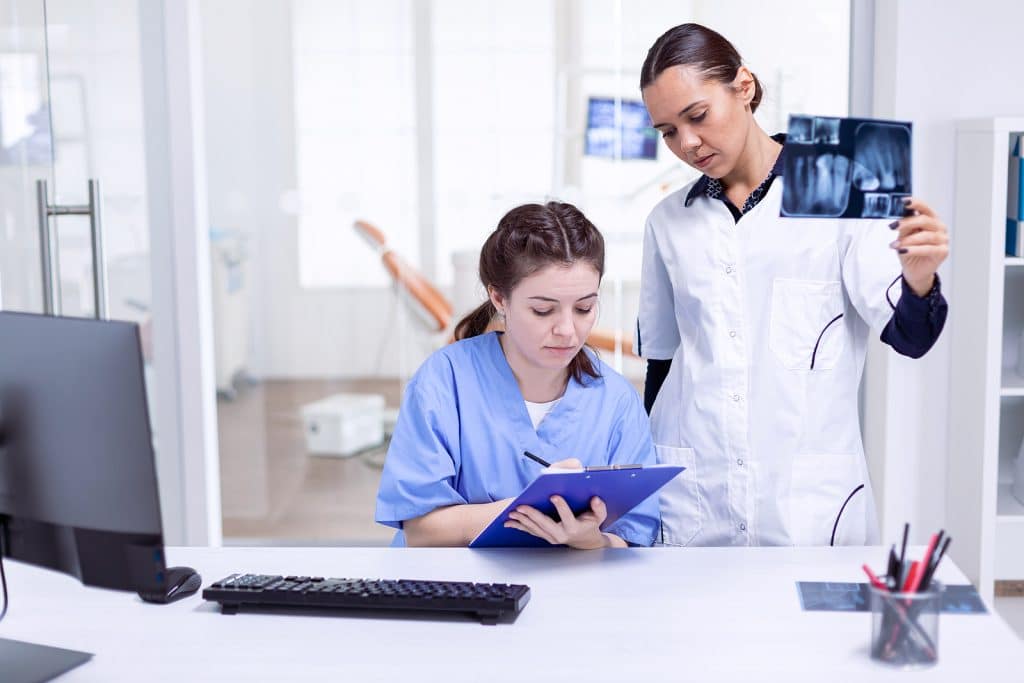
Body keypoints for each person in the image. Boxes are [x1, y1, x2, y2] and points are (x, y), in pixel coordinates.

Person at [635, 24, 949, 547]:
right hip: (695, 499)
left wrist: (920, 279)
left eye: (697, 116)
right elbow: (661, 366)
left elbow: (911, 339)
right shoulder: (668, 220)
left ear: (744, 87)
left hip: (808, 503)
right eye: (667, 131)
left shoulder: (847, 184)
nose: (686, 143)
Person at [375, 202, 659, 548]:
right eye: (543, 310)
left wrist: (592, 542)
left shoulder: (615, 400)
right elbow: (422, 529)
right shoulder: (443, 382)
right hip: (458, 589)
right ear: (499, 297)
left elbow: (634, 539)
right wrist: (530, 509)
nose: (568, 331)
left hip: (574, 591)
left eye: (584, 308)